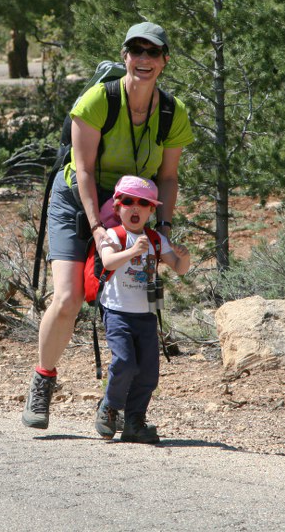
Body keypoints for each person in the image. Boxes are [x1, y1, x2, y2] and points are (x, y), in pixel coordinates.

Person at [22, 22, 194, 430]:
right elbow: (82, 169)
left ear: (165, 60)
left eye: (153, 52)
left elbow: (168, 177)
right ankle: (43, 381)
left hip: (133, 205)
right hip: (80, 201)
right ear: (125, 56)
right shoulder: (100, 99)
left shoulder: (172, 112)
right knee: (68, 296)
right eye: (136, 51)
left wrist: (163, 231)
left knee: (130, 300)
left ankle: (114, 406)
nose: (144, 59)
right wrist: (98, 228)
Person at [94, 175, 190, 443]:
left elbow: (179, 268)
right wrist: (133, 250)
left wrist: (185, 257)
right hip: (117, 312)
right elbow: (108, 262)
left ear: (151, 210)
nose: (135, 207)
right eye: (128, 201)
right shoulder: (114, 235)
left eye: (143, 203)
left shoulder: (156, 239)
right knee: (124, 362)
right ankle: (110, 408)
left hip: (146, 316)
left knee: (148, 372)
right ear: (117, 207)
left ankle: (135, 421)